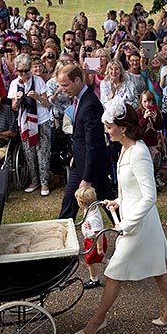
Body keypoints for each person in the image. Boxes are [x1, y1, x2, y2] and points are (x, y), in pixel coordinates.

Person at [74, 98, 167, 334]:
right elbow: (130, 189)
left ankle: (97, 321)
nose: (107, 131)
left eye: (109, 127)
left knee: (113, 271)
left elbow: (149, 196)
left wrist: (127, 224)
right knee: (157, 268)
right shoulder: (125, 148)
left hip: (138, 223)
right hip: (134, 218)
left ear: (122, 127)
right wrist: (118, 201)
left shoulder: (139, 152)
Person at [57, 64, 114, 220]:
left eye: (65, 85)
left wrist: (87, 179)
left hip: (93, 168)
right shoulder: (80, 100)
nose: (63, 89)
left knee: (110, 205)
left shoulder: (90, 104)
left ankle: (128, 232)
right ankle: (62, 240)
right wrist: (76, 155)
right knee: (68, 204)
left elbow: (93, 144)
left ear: (77, 80)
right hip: (80, 163)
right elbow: (81, 137)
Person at [8, 53, 53, 196]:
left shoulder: (38, 81)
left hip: (42, 120)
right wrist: (17, 100)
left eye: (26, 71)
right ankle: (34, 181)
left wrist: (37, 97)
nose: (23, 74)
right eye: (20, 71)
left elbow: (47, 103)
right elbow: (14, 107)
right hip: (25, 123)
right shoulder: (15, 84)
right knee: (29, 153)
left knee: (43, 153)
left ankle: (45, 182)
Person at [75, 186, 108, 289]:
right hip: (90, 240)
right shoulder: (91, 208)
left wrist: (99, 248)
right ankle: (112, 264)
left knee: (90, 261)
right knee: (97, 258)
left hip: (95, 242)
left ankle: (94, 280)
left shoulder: (93, 218)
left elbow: (99, 234)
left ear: (82, 203)